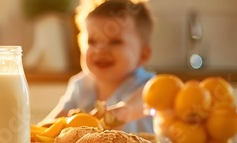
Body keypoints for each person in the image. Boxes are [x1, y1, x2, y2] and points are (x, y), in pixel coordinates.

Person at [40, 0, 155, 133]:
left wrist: (120, 114)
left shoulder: (149, 85)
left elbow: (143, 101)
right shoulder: (80, 85)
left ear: (143, 55)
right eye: (92, 41)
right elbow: (48, 126)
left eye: (115, 42)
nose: (100, 50)